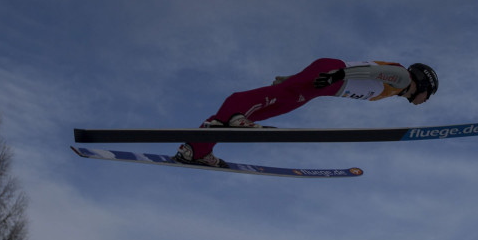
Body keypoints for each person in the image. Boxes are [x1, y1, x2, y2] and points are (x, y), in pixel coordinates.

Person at [174, 58, 438, 167]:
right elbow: (368, 71)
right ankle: (234, 120)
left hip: (323, 85)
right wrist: (339, 74)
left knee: (271, 107)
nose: (426, 100)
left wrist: (293, 79)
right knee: (253, 104)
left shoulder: (396, 90)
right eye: (429, 94)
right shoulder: (402, 77)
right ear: (423, 83)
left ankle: (195, 150)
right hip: (331, 74)